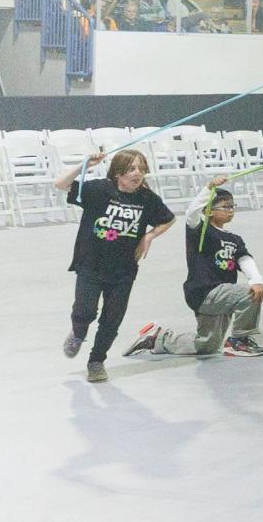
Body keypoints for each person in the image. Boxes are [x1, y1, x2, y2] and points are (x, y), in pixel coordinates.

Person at [57, 150, 175, 383]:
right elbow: (60, 184)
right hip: (91, 264)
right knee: (84, 310)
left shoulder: (146, 198)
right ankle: (78, 333)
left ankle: (96, 361)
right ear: (118, 173)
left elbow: (168, 219)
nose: (137, 173)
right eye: (131, 169)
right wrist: (85, 164)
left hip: (123, 270)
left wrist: (149, 236)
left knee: (112, 319)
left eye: (141, 168)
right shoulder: (100, 190)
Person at [122, 178, 263, 360]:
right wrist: (208, 188)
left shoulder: (235, 239)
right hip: (204, 291)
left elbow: (245, 259)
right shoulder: (200, 230)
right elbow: (191, 213)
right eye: (225, 207)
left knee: (207, 345)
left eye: (232, 206)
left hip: (222, 295)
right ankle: (239, 341)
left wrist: (256, 279)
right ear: (208, 211)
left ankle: (158, 338)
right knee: (249, 294)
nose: (230, 210)